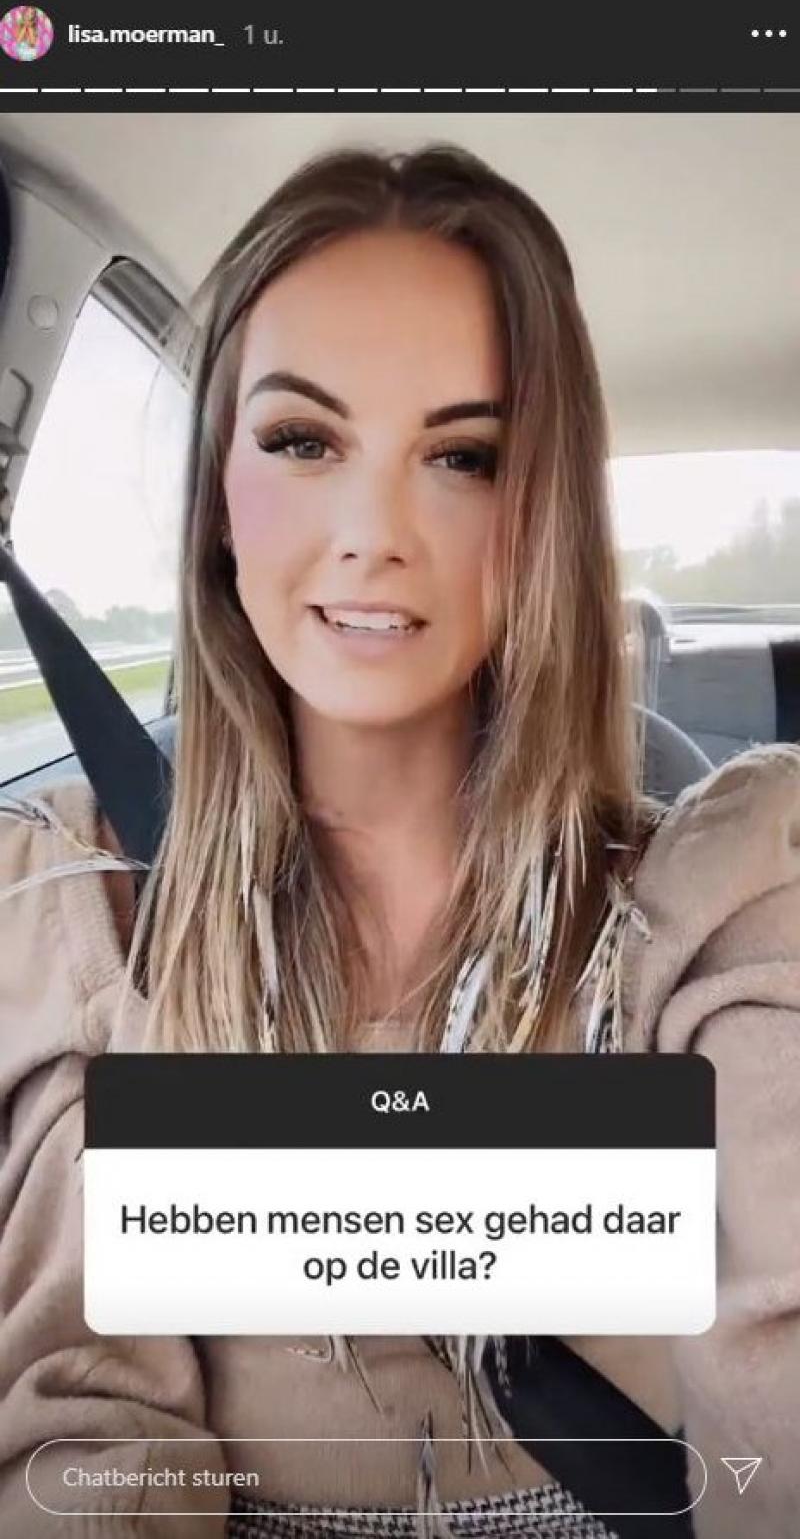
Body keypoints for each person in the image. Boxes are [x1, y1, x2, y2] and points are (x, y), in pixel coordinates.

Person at [0, 145, 798, 1539]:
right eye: (303, 441)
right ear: (217, 489)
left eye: (463, 457)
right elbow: (82, 1450)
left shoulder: (720, 919)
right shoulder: (84, 920)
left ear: (541, 510)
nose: (372, 534)